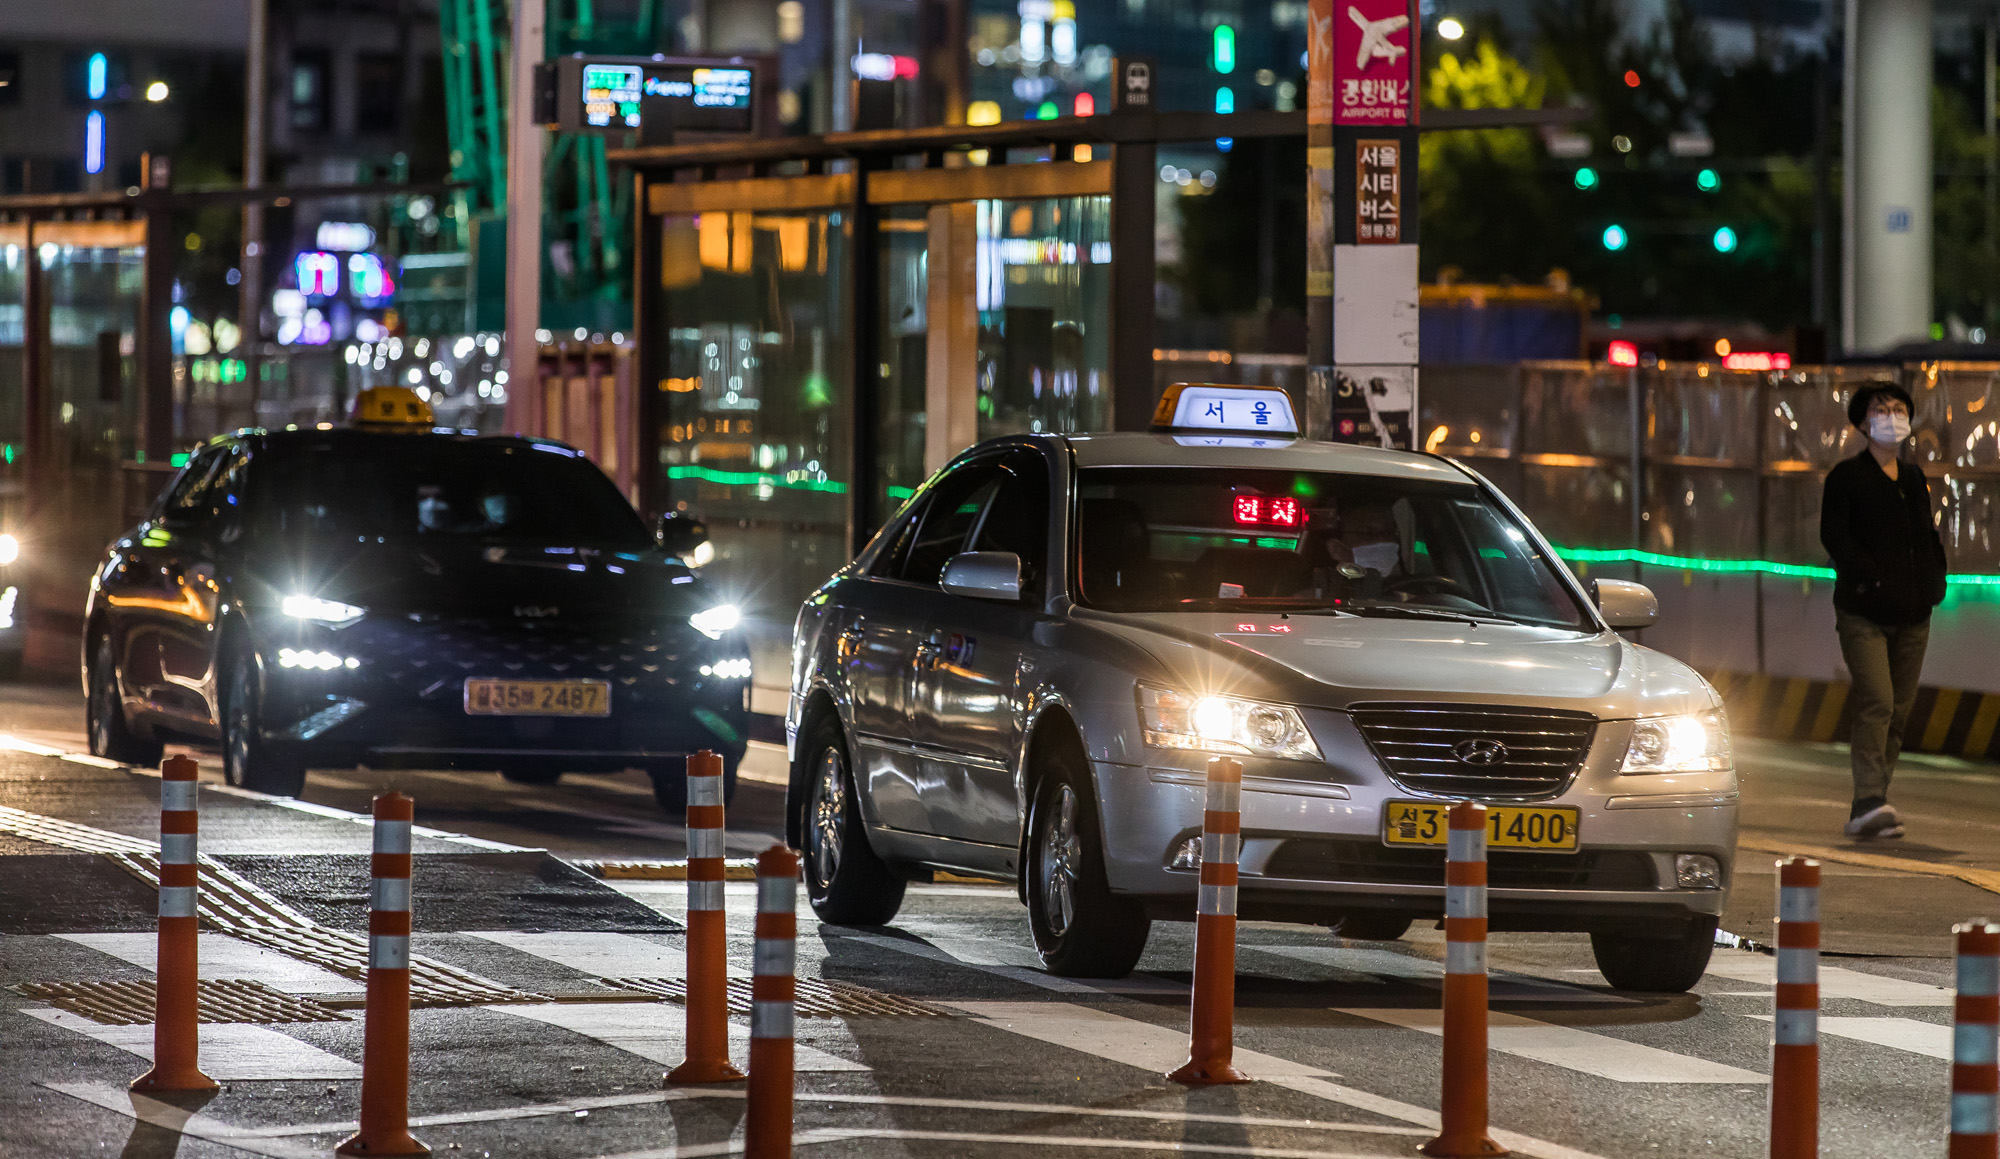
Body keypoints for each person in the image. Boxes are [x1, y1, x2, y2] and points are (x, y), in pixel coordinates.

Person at [1818, 380, 1947, 841]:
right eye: (1880, 409)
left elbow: (1926, 538)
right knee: (1879, 701)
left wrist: (1935, 582)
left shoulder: (1912, 479)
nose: (1891, 415)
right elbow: (1835, 537)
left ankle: (1877, 800)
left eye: (1898, 408)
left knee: (1900, 710)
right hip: (1863, 612)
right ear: (1862, 422)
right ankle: (1867, 800)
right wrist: (1869, 575)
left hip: (1914, 614)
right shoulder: (1846, 478)